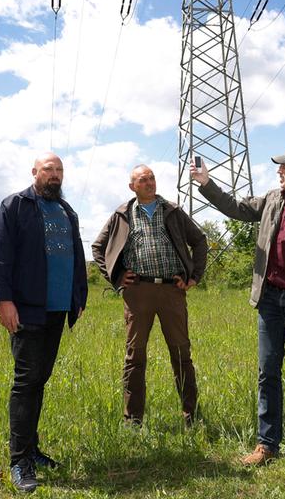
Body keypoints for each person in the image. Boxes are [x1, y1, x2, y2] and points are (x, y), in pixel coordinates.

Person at [191, 148, 285, 465]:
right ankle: (266, 444)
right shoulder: (274, 200)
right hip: (271, 299)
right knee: (267, 372)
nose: (279, 172)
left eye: (284, 167)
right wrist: (207, 183)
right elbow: (235, 208)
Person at [0, 152, 88, 493]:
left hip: (58, 310)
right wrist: (4, 300)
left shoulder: (67, 211)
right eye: (49, 169)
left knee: (39, 380)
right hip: (28, 308)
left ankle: (32, 449)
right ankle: (20, 461)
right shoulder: (14, 206)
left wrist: (79, 297)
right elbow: (1, 256)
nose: (55, 175)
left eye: (59, 170)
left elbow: (76, 255)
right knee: (26, 381)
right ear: (35, 172)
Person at [91, 164, 209, 427]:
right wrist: (117, 276)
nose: (149, 182)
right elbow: (98, 247)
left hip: (172, 291)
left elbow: (200, 240)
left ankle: (191, 415)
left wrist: (194, 276)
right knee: (135, 355)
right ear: (132, 186)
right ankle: (133, 420)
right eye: (143, 179)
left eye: (152, 178)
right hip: (138, 293)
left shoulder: (173, 211)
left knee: (181, 353)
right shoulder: (122, 214)